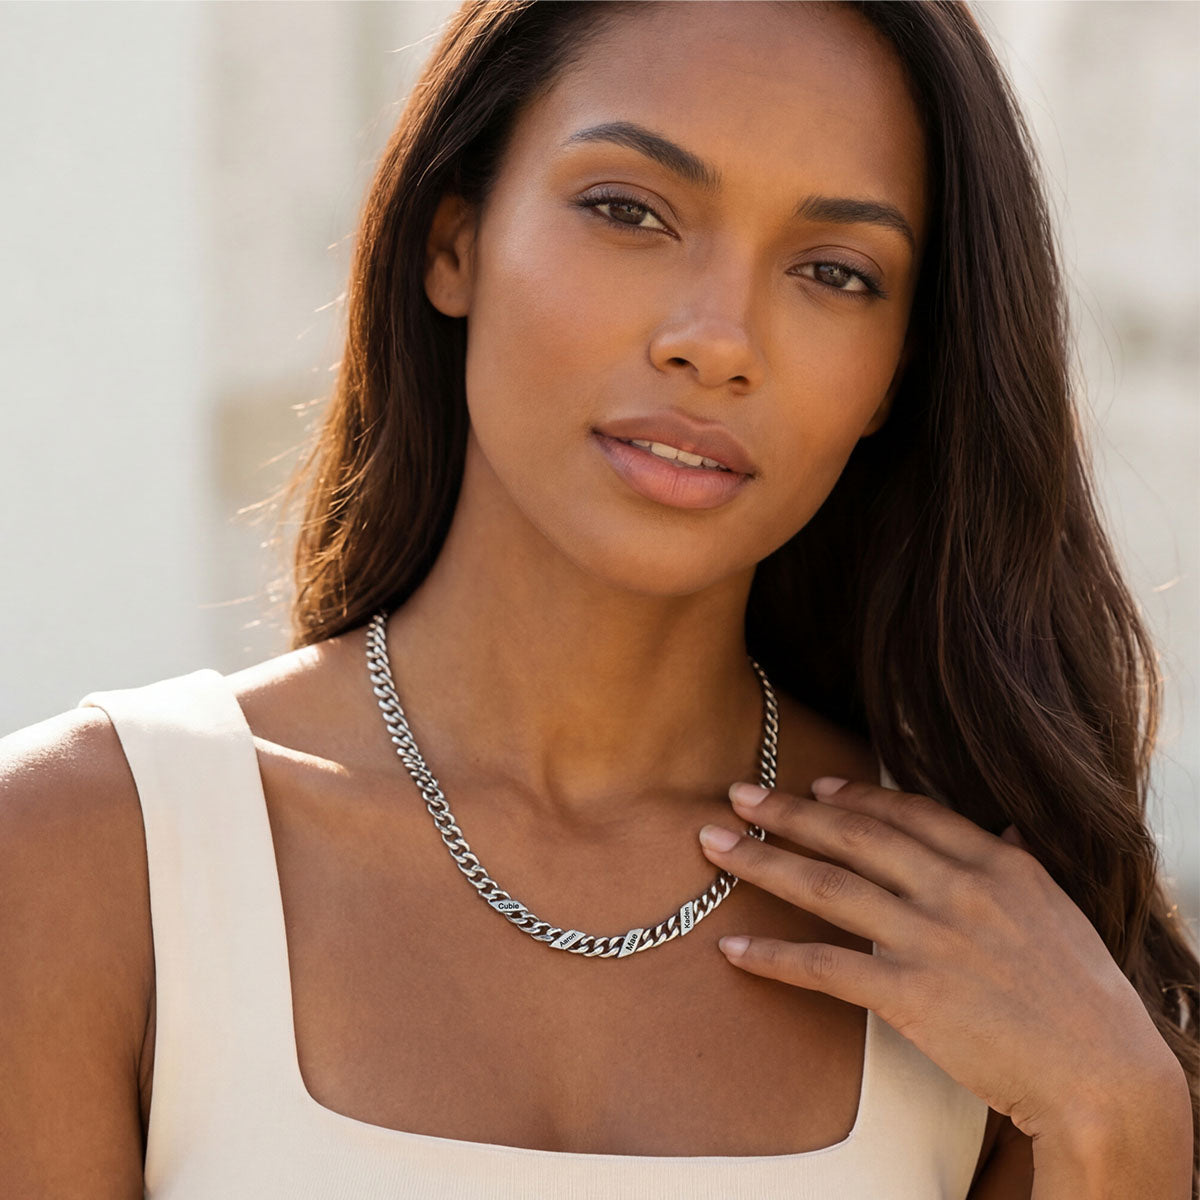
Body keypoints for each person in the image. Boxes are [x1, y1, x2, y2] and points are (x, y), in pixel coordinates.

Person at [1, 1, 1195, 1196]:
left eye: (836, 272)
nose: (716, 341)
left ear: (896, 376)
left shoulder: (996, 953)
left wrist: (1120, 1124)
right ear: (451, 238)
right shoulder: (82, 859)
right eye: (629, 211)